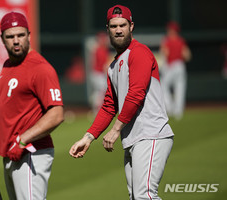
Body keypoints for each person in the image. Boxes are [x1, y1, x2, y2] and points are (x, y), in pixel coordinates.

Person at [69, 5, 174, 200]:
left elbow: (136, 93)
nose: (118, 30)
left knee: (145, 196)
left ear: (131, 26)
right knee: (136, 197)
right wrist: (88, 137)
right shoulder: (113, 65)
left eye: (123, 25)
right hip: (134, 138)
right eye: (114, 26)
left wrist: (116, 129)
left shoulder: (139, 52)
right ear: (107, 28)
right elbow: (109, 105)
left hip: (151, 134)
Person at [0, 12, 64, 200]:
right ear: (2, 39)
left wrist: (23, 139)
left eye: (21, 35)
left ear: (29, 35)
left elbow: (56, 114)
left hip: (32, 153)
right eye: (10, 36)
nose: (16, 41)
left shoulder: (40, 68)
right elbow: (13, 108)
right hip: (11, 153)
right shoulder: (8, 65)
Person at [160, 21, 191, 120]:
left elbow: (165, 53)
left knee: (163, 85)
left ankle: (170, 107)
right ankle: (178, 112)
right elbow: (187, 55)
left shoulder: (167, 41)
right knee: (180, 88)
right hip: (180, 65)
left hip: (172, 65)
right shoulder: (181, 40)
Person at [90, 31, 111, 115]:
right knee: (101, 92)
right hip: (98, 74)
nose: (104, 40)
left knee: (100, 92)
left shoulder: (103, 49)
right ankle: (97, 109)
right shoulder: (99, 50)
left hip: (98, 74)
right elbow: (104, 65)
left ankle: (97, 109)